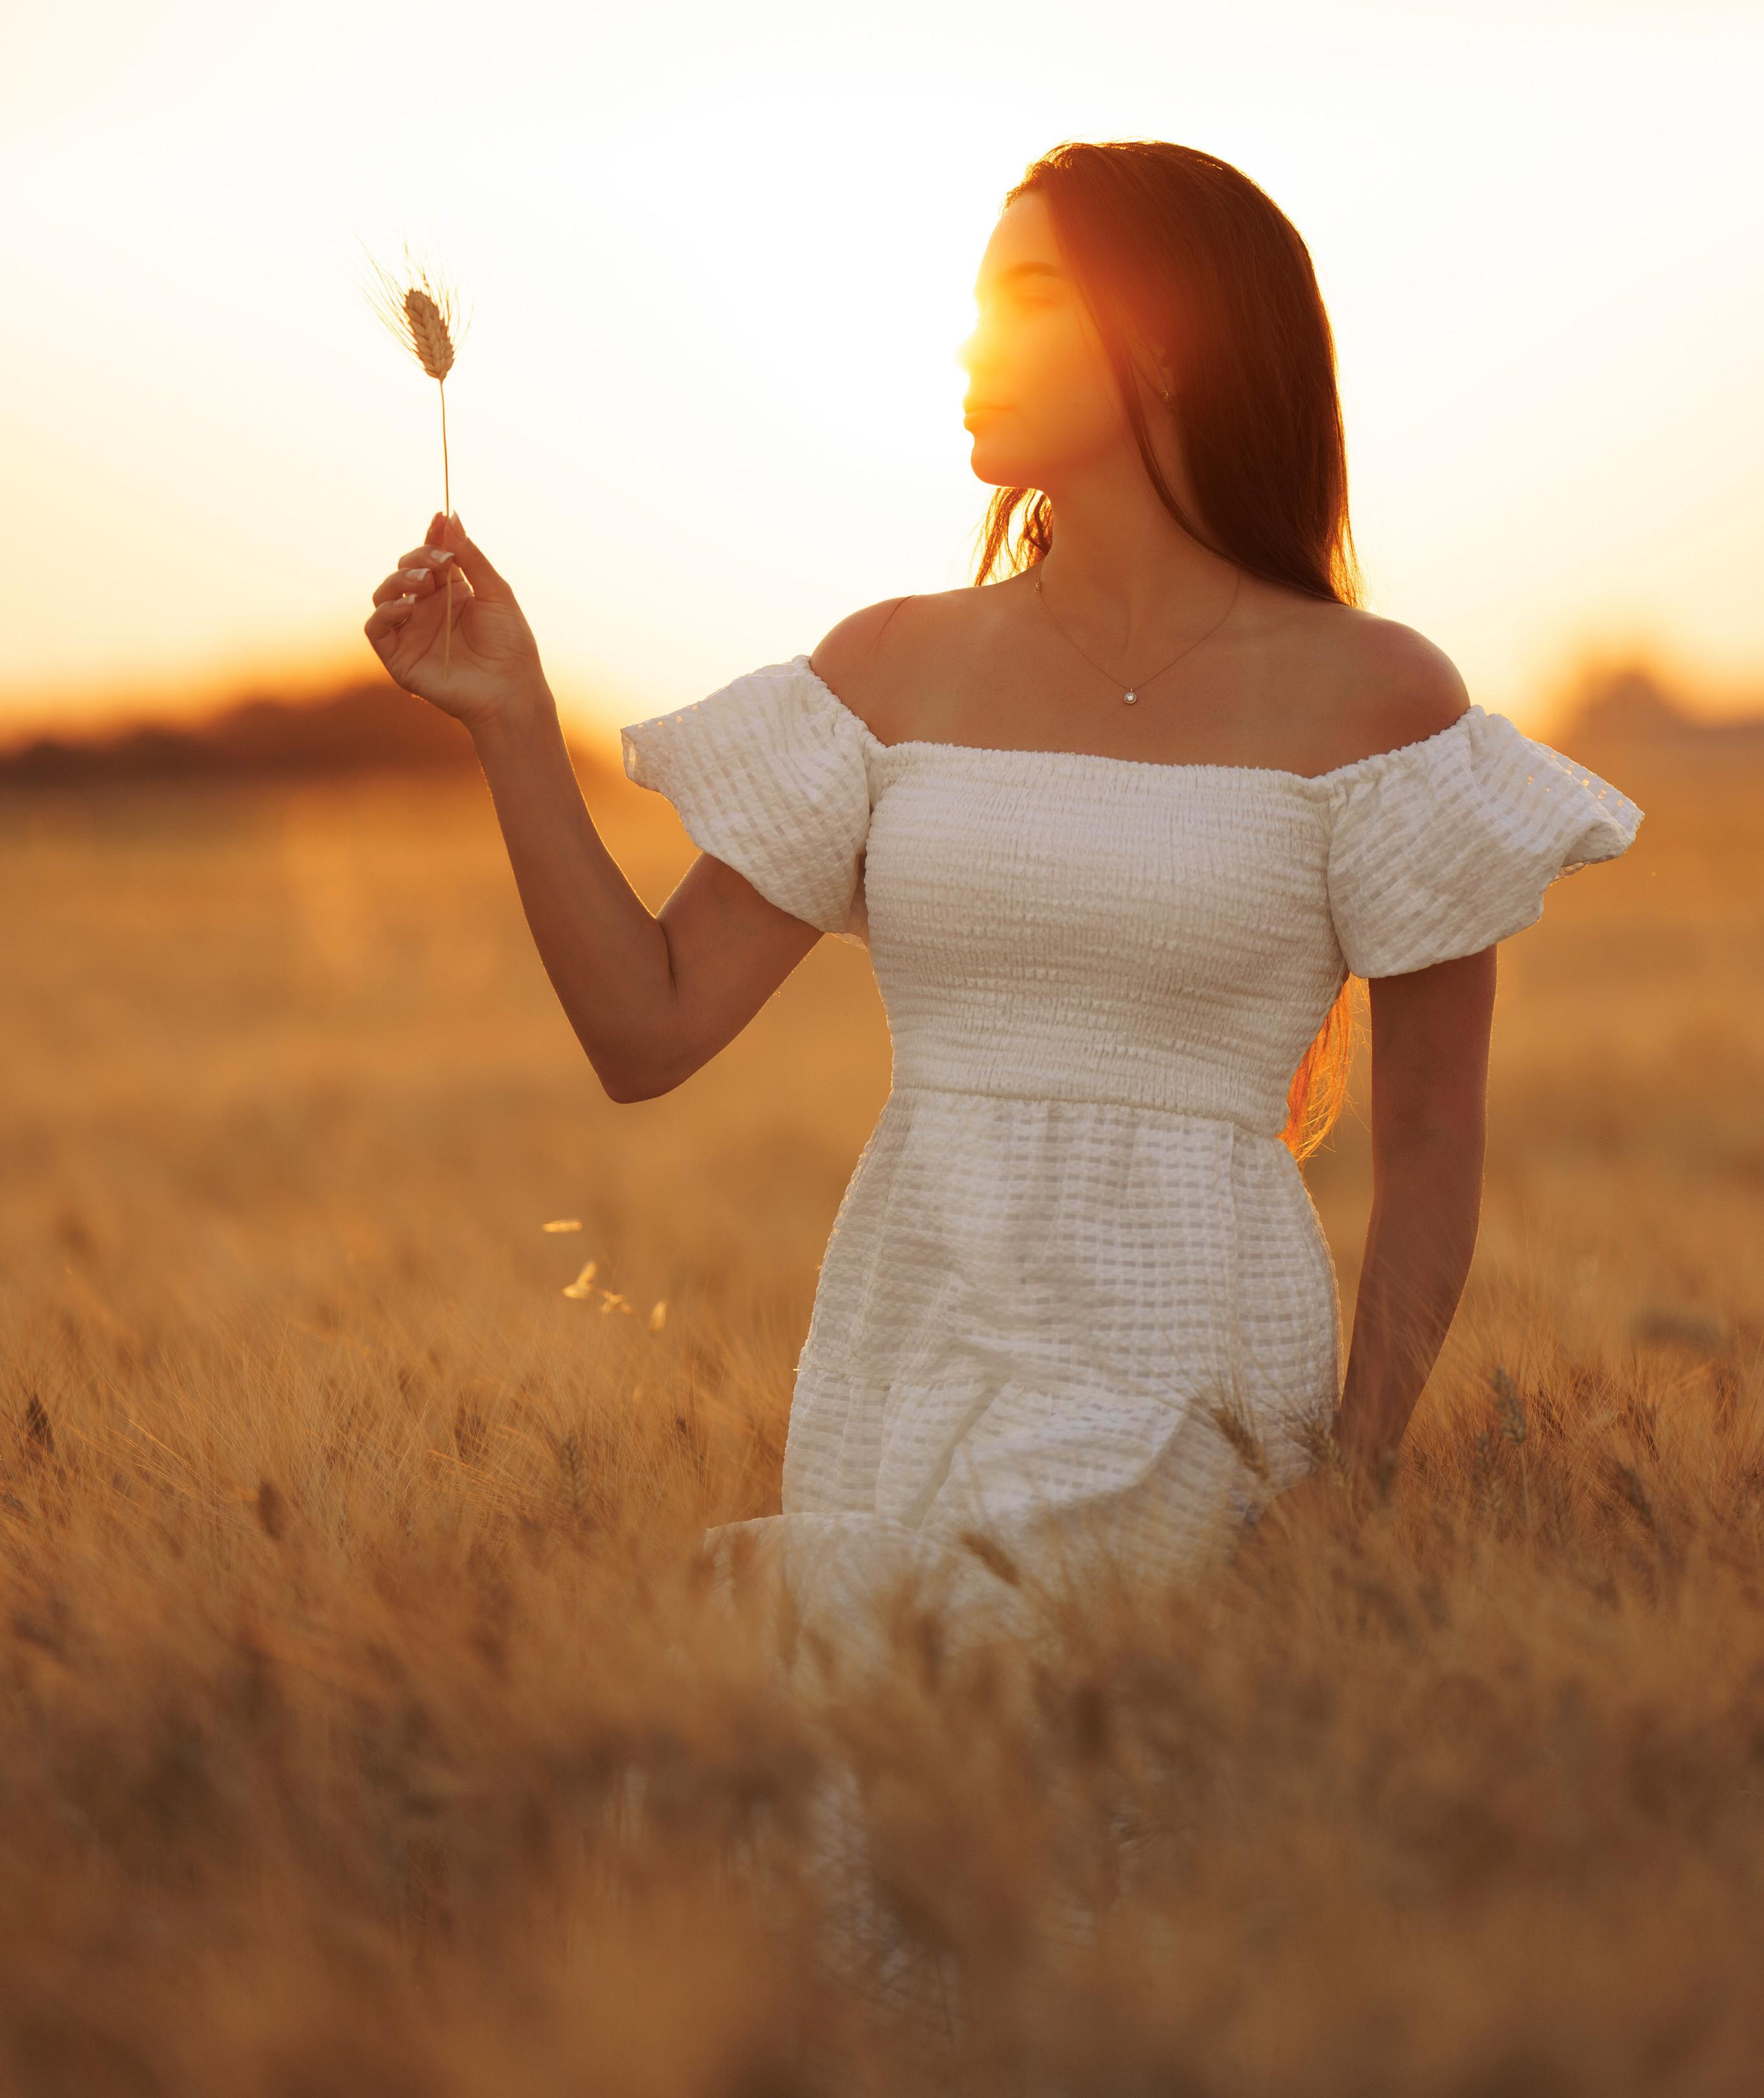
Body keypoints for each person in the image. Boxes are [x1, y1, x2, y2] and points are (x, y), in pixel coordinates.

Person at [364, 139, 1641, 1649]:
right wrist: (512, 717)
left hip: (1198, 1364)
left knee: (1040, 1715)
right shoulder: (889, 666)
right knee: (909, 1812)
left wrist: (1352, 1485)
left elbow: (1429, 1141)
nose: (972, 343)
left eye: (1025, 296)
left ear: (1163, 336)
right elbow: (644, 1031)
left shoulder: (1379, 700)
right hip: (914, 1339)